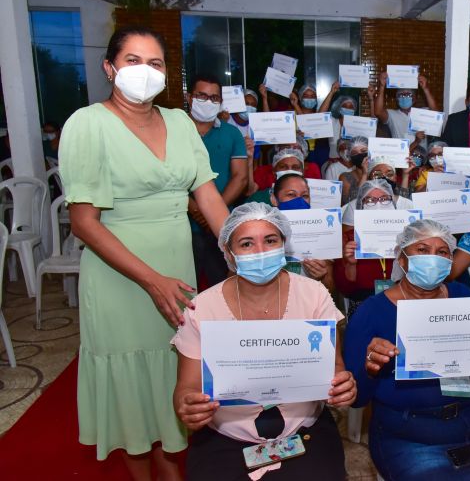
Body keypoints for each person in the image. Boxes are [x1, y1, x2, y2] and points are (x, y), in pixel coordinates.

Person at [59, 26, 231, 479]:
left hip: (177, 267)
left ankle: (169, 462)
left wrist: (241, 252)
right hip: (121, 276)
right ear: (109, 68)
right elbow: (84, 222)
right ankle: (142, 470)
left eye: (155, 64)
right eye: (133, 61)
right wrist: (151, 280)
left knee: (173, 368)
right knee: (130, 379)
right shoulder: (88, 124)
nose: (145, 72)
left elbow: (209, 197)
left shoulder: (179, 123)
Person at [172, 203, 355, 481]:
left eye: (270, 240)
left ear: (284, 244)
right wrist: (187, 405)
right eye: (246, 243)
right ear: (230, 254)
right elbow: (185, 387)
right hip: (227, 435)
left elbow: (336, 366)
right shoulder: (202, 308)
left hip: (303, 428)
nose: (261, 251)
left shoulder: (313, 294)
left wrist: (342, 384)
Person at [343, 219, 470, 480]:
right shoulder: (371, 312)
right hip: (410, 436)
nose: (433, 258)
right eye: (422, 250)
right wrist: (370, 367)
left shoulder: (462, 296)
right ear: (403, 259)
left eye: (442, 252)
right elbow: (358, 399)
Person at [187, 74, 249, 288]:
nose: (208, 101)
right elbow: (166, 176)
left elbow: (240, 178)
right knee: (183, 290)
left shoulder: (232, 133)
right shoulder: (175, 130)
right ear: (189, 97)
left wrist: (211, 209)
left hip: (221, 226)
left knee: (223, 289)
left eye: (214, 98)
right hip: (181, 225)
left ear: (221, 102)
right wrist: (194, 207)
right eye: (201, 96)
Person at [334, 180, 398, 317]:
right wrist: (351, 264)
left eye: (384, 199)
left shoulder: (406, 236)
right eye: (370, 200)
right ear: (360, 206)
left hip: (401, 300)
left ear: (393, 203)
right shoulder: (349, 240)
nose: (378, 204)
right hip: (364, 305)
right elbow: (345, 289)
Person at [374, 70, 438, 148]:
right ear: (397, 100)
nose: (404, 98)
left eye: (408, 95)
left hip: (422, 155)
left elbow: (436, 113)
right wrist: (381, 86)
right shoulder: (392, 115)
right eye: (401, 95)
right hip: (400, 155)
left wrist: (426, 89)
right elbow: (378, 112)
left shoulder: (422, 113)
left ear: (414, 99)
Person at [253, 135, 321, 190]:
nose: (291, 150)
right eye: (286, 147)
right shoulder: (263, 170)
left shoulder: (312, 168)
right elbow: (250, 192)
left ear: (304, 153)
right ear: (278, 150)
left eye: (296, 148)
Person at [339, 136, 370, 204]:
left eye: (363, 151)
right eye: (354, 153)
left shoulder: (377, 174)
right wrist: (364, 175)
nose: (359, 154)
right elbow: (351, 204)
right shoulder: (345, 177)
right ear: (350, 156)